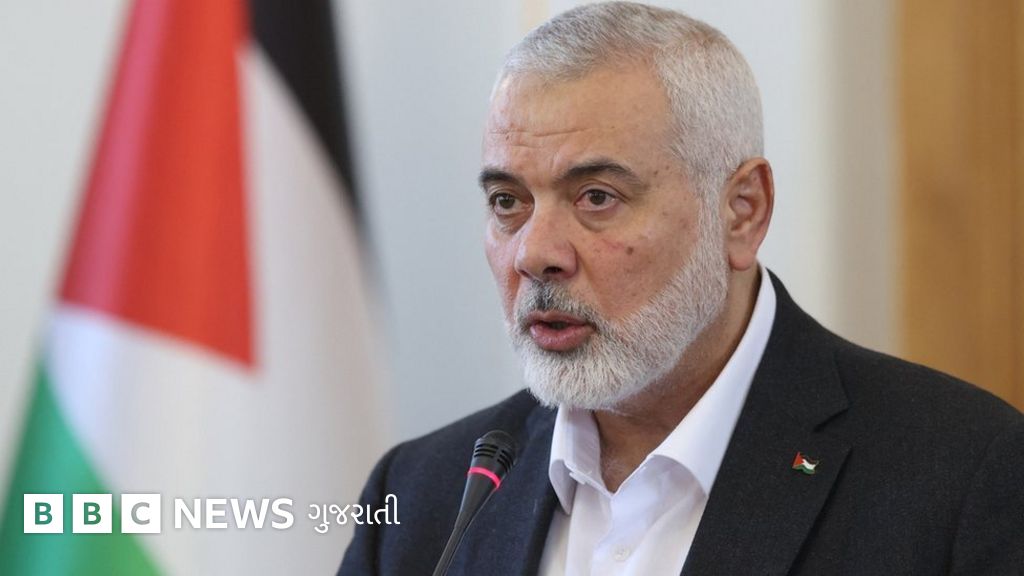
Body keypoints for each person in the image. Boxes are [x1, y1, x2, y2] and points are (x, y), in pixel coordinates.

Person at [339, 3, 1024, 574]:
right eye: (508, 202)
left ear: (742, 211)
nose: (535, 254)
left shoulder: (963, 478)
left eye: (597, 196)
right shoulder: (421, 496)